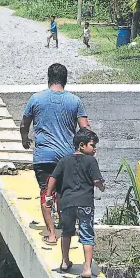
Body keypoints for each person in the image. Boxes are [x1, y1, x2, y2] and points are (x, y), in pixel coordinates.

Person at [20, 63, 90, 245]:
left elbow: (24, 124)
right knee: (64, 192)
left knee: (46, 192)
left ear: (49, 78)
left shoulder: (36, 99)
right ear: (65, 80)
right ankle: (67, 227)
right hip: (67, 157)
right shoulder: (75, 101)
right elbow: (85, 129)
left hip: (43, 157)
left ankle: (51, 234)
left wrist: (24, 139)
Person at [45, 128, 105, 278]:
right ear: (81, 145)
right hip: (85, 203)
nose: (94, 149)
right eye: (92, 145)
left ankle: (65, 262)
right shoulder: (91, 161)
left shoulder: (64, 160)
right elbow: (97, 181)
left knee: (67, 231)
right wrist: (102, 186)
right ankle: (86, 269)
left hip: (67, 203)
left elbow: (53, 178)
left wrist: (48, 196)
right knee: (87, 234)